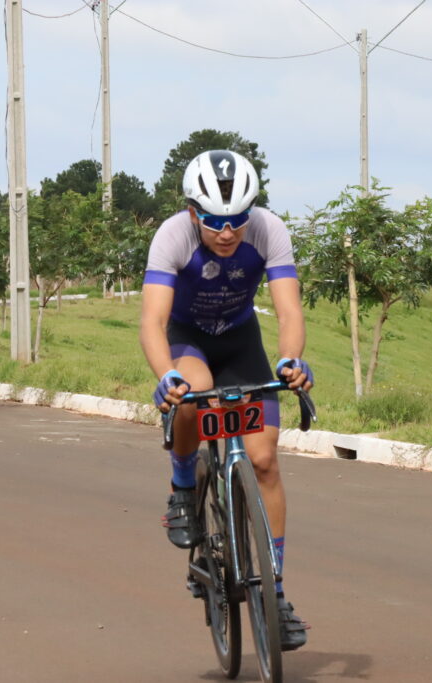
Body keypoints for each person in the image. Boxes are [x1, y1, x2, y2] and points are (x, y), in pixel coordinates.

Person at [139, 150, 314, 652]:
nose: (227, 231)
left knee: (264, 461)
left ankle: (274, 592)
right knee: (192, 397)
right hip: (187, 339)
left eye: (238, 218)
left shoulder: (269, 230)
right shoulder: (172, 235)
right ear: (193, 211)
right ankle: (182, 485)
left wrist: (291, 360)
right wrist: (166, 375)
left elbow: (289, 310)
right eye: (215, 221)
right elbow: (152, 321)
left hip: (240, 342)